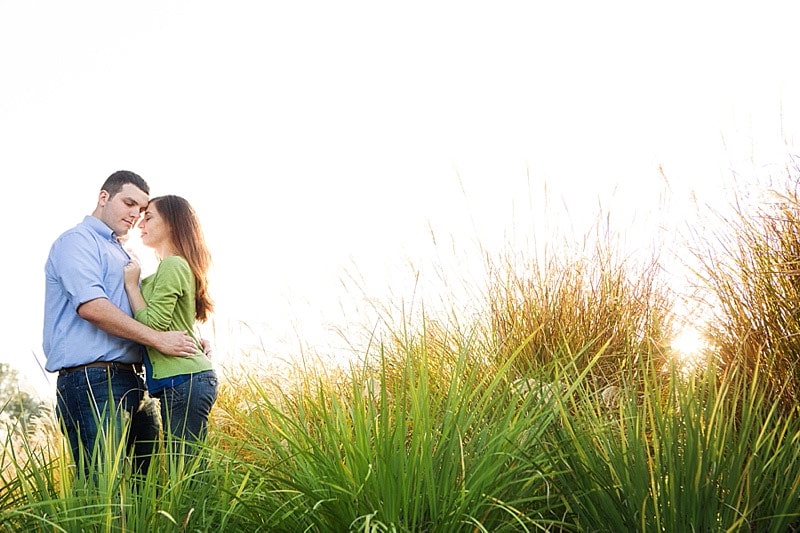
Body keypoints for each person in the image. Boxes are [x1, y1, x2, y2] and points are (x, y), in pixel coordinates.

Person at [43, 170, 198, 475]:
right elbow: (92, 307)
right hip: (91, 380)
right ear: (104, 197)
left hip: (135, 381)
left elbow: (148, 313)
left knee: (148, 485)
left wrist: (185, 336)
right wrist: (158, 339)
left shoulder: (124, 251)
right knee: (102, 484)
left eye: (141, 210)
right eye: (129, 203)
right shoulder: (77, 241)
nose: (135, 215)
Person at [123, 195, 218, 451]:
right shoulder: (171, 267)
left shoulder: (173, 265)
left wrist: (132, 287)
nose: (140, 223)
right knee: (185, 465)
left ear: (172, 224)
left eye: (149, 217)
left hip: (184, 380)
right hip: (181, 380)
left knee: (186, 469)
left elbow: (155, 324)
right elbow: (177, 318)